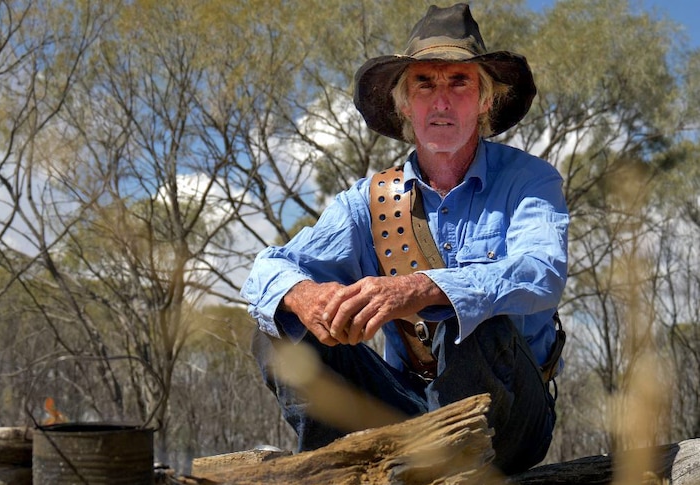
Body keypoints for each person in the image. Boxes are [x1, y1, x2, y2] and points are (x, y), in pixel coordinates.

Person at [240, 3, 569, 474]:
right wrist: (307, 296)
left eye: (460, 81)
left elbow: (543, 274)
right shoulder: (367, 200)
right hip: (406, 410)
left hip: (508, 416)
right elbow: (265, 270)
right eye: (424, 83)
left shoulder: (530, 180)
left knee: (470, 319)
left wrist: (423, 289)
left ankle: (449, 472)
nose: (441, 101)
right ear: (404, 104)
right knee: (280, 331)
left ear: (484, 101)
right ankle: (338, 472)